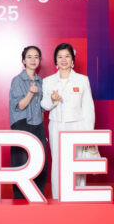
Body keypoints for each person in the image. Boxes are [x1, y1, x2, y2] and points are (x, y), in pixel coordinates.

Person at [41, 43, 95, 199]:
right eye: (60, 57)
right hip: (56, 126)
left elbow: (88, 109)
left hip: (78, 125)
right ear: (55, 60)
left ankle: (79, 196)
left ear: (72, 59)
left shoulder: (82, 80)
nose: (63, 60)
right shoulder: (48, 81)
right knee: (58, 162)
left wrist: (89, 134)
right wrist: (52, 99)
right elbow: (44, 105)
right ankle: (58, 197)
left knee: (77, 161)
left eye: (67, 56)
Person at [8, 45, 49, 199]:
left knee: (41, 164)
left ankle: (37, 198)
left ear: (39, 60)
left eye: (36, 57)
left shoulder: (41, 81)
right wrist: (31, 93)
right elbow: (19, 106)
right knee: (22, 164)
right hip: (22, 123)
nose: (33, 60)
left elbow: (42, 107)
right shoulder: (17, 80)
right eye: (29, 57)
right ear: (24, 61)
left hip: (38, 124)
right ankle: (20, 200)